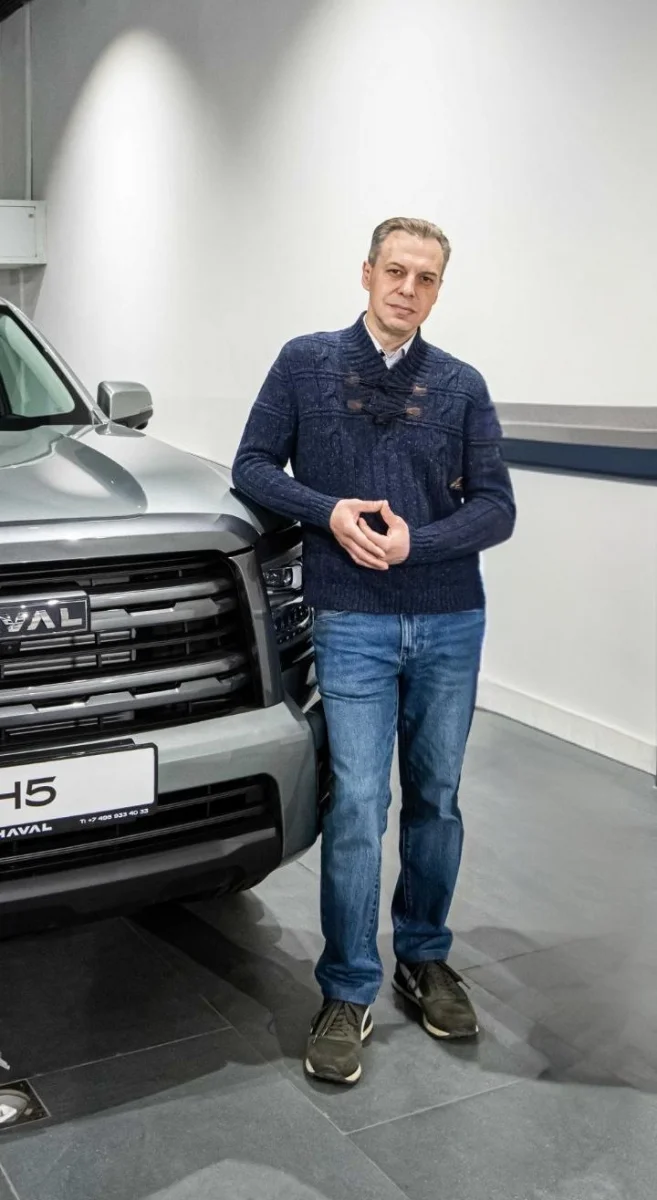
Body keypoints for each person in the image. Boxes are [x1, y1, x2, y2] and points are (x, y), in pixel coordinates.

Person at [233, 216, 516, 1087]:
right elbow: (252, 466)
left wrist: (413, 544)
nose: (407, 289)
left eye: (425, 278)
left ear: (438, 290)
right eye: (395, 271)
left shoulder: (460, 384)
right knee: (357, 802)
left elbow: (496, 506)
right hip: (350, 617)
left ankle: (422, 957)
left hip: (447, 618)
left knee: (436, 797)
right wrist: (328, 511)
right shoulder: (305, 363)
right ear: (366, 273)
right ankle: (347, 986)